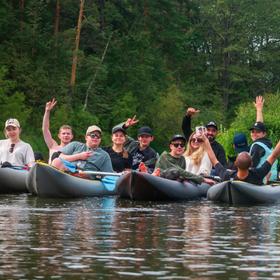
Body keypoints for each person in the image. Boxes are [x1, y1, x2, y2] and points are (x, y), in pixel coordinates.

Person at [204, 134, 280, 185]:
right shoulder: (258, 174)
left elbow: (214, 160)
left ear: (235, 164)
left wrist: (206, 141)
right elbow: (273, 155)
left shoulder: (227, 175)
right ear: (251, 164)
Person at [249, 96, 278, 181]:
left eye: (257, 132)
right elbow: (260, 124)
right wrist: (259, 110)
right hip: (272, 179)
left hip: (262, 181)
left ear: (264, 133)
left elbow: (251, 167)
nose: (254, 134)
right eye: (252, 131)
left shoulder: (257, 146)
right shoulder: (267, 143)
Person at [42, 98, 74, 164]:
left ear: (72, 136)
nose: (66, 135)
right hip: (50, 171)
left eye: (68, 134)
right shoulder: (53, 145)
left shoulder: (74, 151)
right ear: (59, 136)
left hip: (63, 173)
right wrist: (47, 111)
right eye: (63, 133)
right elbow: (45, 129)